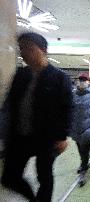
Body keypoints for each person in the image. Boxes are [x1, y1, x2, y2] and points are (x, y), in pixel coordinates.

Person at [0, 32, 73, 202]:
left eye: (29, 48)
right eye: (22, 48)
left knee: (44, 177)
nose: (24, 53)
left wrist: (62, 136)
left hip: (45, 138)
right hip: (19, 136)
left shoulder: (59, 77)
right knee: (9, 178)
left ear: (43, 50)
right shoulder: (21, 75)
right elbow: (9, 105)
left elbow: (67, 108)